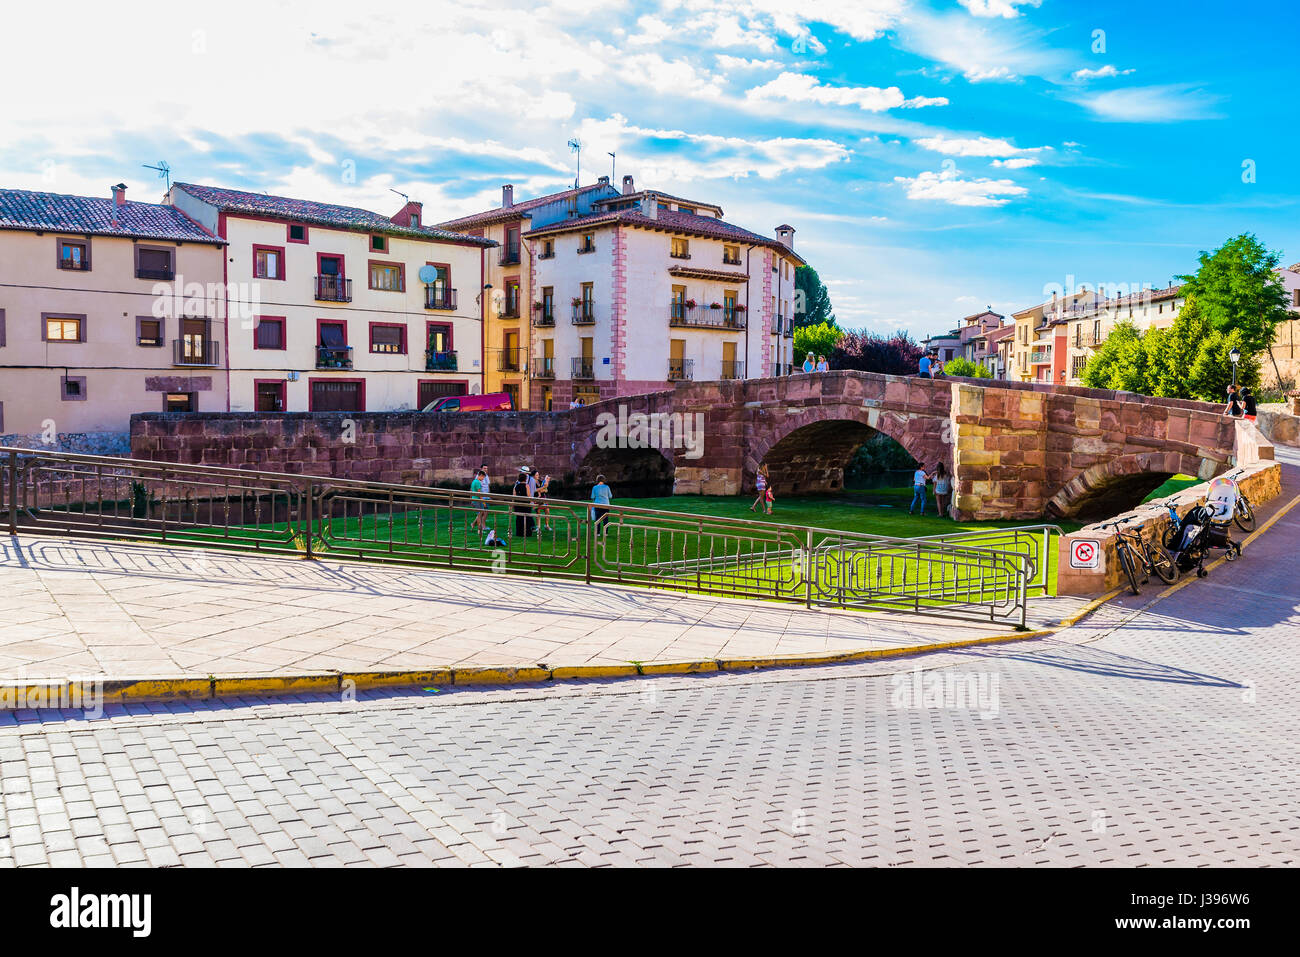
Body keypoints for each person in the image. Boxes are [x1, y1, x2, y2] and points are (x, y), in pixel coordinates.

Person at [512, 470, 535, 538]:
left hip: (518, 504)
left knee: (519, 518)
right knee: (527, 518)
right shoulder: (526, 486)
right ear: (525, 479)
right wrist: (532, 502)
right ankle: (527, 533)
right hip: (525, 504)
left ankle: (519, 533)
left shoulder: (516, 486)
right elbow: (529, 495)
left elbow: (514, 496)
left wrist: (513, 505)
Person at [470, 468, 489, 534]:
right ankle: (479, 529)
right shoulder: (478, 482)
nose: (483, 479)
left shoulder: (474, 481)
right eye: (483, 477)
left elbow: (472, 491)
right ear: (480, 475)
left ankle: (473, 524)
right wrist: (483, 502)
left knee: (481, 513)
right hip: (477, 500)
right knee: (480, 514)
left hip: (474, 499)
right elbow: (479, 494)